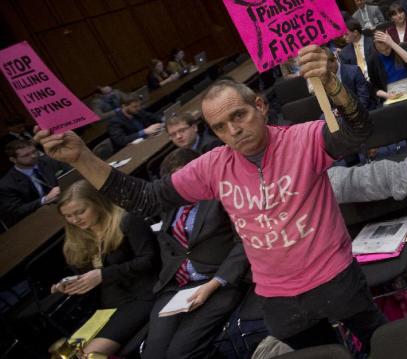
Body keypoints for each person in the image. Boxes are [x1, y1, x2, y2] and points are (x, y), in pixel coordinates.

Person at [36, 47, 388, 352]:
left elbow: (358, 133)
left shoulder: (303, 139)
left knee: (380, 344)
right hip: (278, 297)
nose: (233, 131)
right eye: (220, 127)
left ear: (260, 106)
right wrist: (81, 157)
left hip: (335, 277)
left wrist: (333, 86)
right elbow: (146, 199)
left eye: (239, 115)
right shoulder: (212, 166)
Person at [140, 149, 249, 359]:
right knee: (152, 355)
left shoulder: (222, 195)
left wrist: (216, 282)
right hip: (179, 287)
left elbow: (243, 243)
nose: (182, 188)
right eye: (175, 183)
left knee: (180, 353)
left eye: (186, 179)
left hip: (219, 281)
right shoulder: (170, 205)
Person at [52, 181, 160, 358]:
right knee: (68, 355)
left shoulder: (127, 221)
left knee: (88, 356)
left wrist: (103, 275)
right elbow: (92, 278)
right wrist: (72, 285)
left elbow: (150, 260)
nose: (75, 220)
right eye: (68, 216)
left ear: (98, 202)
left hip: (143, 296)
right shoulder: (79, 238)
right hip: (107, 307)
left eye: (80, 212)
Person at [0, 139, 60, 226]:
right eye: (26, 155)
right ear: (13, 159)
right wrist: (44, 200)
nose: (33, 156)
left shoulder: (49, 160)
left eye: (34, 151)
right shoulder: (6, 184)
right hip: (37, 220)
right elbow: (16, 211)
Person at [369, 25, 407, 111]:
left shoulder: (402, 47)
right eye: (381, 50)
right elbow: (373, 87)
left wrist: (392, 44)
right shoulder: (373, 60)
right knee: (393, 115)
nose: (385, 52)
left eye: (387, 48)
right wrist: (387, 95)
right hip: (390, 92)